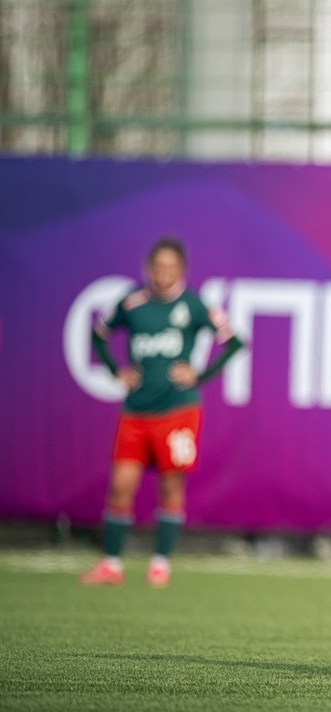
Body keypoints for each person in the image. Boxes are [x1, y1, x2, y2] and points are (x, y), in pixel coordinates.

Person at [81, 237, 243, 588]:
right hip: (136, 411)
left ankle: (160, 563)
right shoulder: (132, 302)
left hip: (178, 410)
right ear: (148, 269)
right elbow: (98, 335)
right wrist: (115, 370)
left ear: (181, 271)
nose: (163, 275)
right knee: (120, 486)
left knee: (171, 485)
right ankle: (111, 564)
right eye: (158, 268)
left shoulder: (195, 305)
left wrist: (199, 375)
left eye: (170, 268)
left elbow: (234, 342)